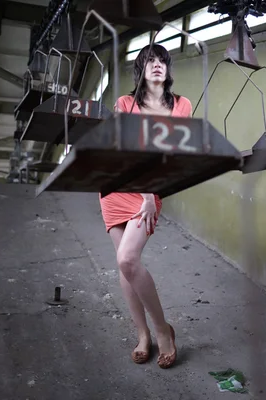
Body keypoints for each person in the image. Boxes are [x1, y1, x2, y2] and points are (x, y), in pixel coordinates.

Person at [99, 44, 192, 369]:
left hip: (148, 192)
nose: (157, 65)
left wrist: (151, 192)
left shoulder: (181, 105)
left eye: (162, 61)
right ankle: (143, 336)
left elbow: (171, 154)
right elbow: (124, 151)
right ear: (140, 70)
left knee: (128, 258)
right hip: (116, 188)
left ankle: (163, 331)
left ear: (167, 69)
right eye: (149, 61)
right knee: (125, 264)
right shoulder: (125, 103)